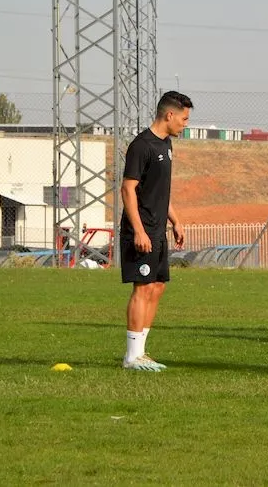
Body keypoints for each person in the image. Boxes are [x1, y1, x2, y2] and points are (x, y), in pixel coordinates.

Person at [120, 90, 193, 371]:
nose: (185, 124)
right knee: (143, 288)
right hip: (142, 230)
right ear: (169, 115)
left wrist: (175, 220)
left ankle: (141, 352)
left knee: (157, 287)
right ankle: (131, 357)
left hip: (158, 229)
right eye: (184, 119)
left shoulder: (166, 145)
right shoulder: (142, 146)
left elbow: (160, 191)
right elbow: (128, 189)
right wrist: (138, 231)